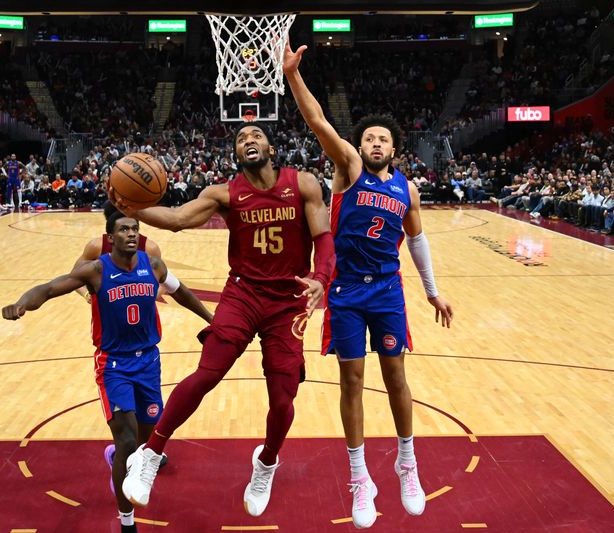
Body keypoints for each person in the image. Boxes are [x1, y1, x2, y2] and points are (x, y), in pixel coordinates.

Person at [118, 122, 335, 517]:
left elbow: (323, 238)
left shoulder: (302, 184)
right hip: (243, 294)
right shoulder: (224, 194)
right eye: (240, 138)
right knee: (208, 372)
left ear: (271, 147)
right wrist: (130, 208)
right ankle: (149, 455)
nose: (248, 140)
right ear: (235, 154)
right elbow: (178, 218)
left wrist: (321, 278)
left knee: (284, 397)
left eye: (256, 135)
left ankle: (266, 462)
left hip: (288, 301)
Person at [284, 40, 453, 529]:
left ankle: (407, 463)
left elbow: (416, 242)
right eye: (369, 138)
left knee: (397, 377)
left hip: (387, 290)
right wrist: (294, 75)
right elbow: (318, 121)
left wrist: (432, 290)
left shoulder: (409, 189)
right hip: (345, 292)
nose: (376, 143)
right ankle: (360, 477)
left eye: (383, 139)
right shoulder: (348, 170)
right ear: (360, 147)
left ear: (394, 148)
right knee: (352, 380)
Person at [2, 214, 212, 533]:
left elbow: (181, 291)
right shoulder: (96, 271)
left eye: (134, 229)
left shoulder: (153, 265)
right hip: (114, 365)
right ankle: (127, 522)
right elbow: (49, 288)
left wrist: (212, 319)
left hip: (149, 363)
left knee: (147, 440)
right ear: (110, 238)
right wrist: (22, 303)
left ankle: (118, 453)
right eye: (123, 229)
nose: (130, 234)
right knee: (128, 440)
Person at [73, 201, 162, 302]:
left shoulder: (150, 248)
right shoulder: (96, 246)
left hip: (143, 316)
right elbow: (73, 277)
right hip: (105, 316)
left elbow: (165, 283)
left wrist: (152, 296)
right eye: (123, 229)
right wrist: (87, 295)